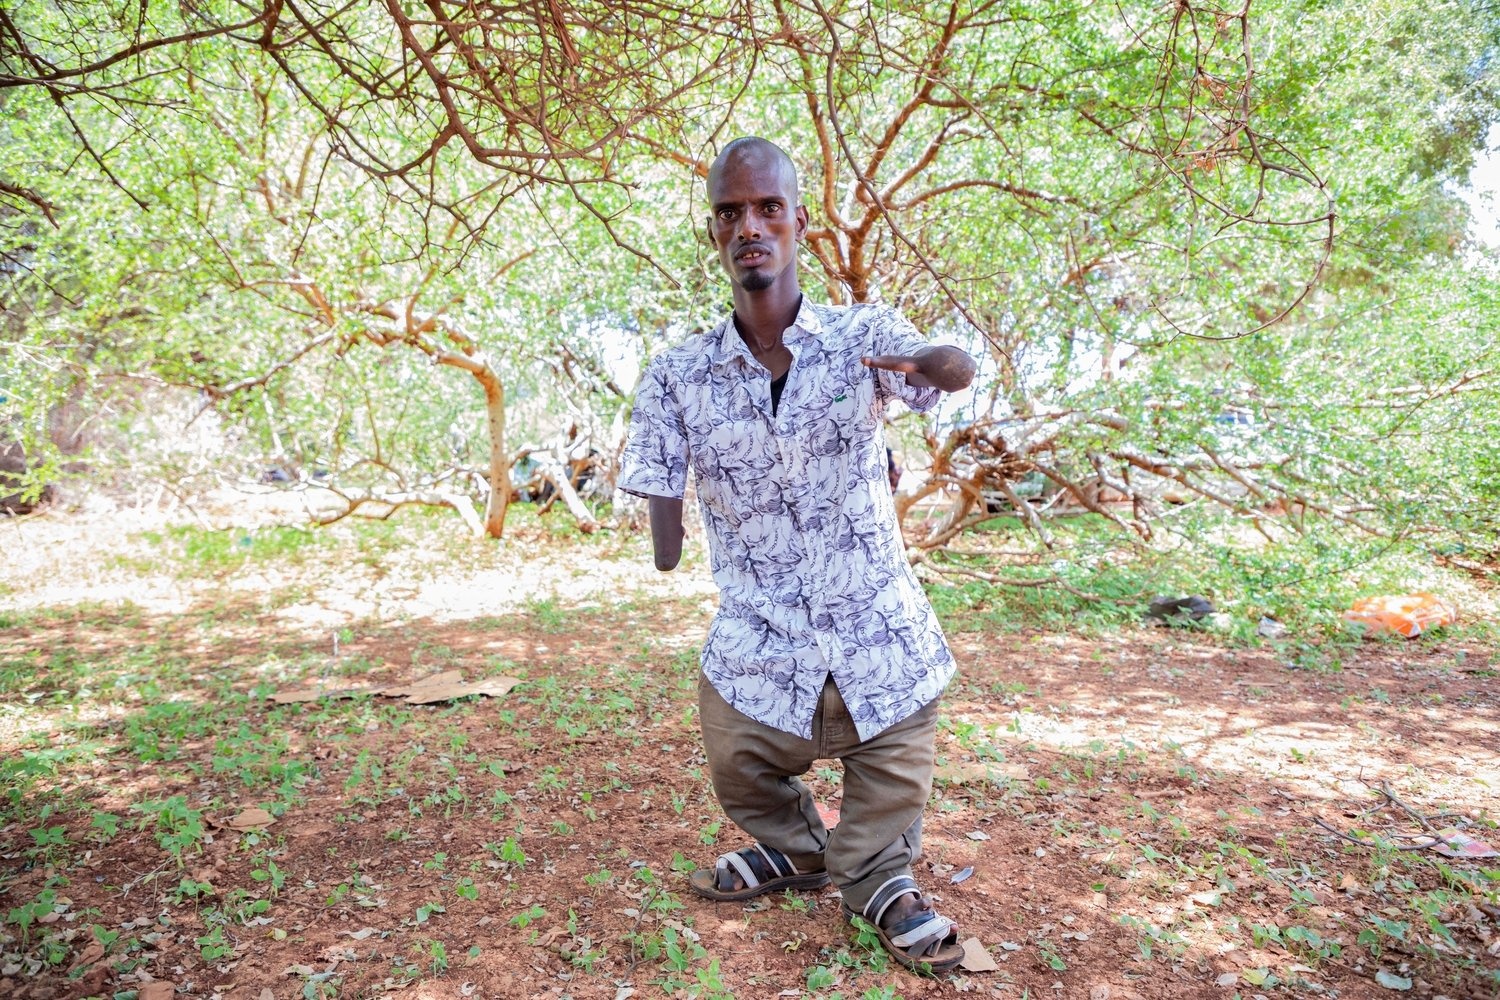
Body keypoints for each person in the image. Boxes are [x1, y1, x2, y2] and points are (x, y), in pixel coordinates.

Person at [618, 137, 976, 974]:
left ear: (799, 223)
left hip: (879, 633)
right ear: (714, 233)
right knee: (735, 758)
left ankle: (880, 881)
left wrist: (940, 366)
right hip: (761, 637)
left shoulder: (865, 339)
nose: (750, 225)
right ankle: (801, 849)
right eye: (730, 212)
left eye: (767, 207)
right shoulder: (677, 376)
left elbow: (946, 369)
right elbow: (662, 515)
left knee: (894, 770)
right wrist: (666, 519)